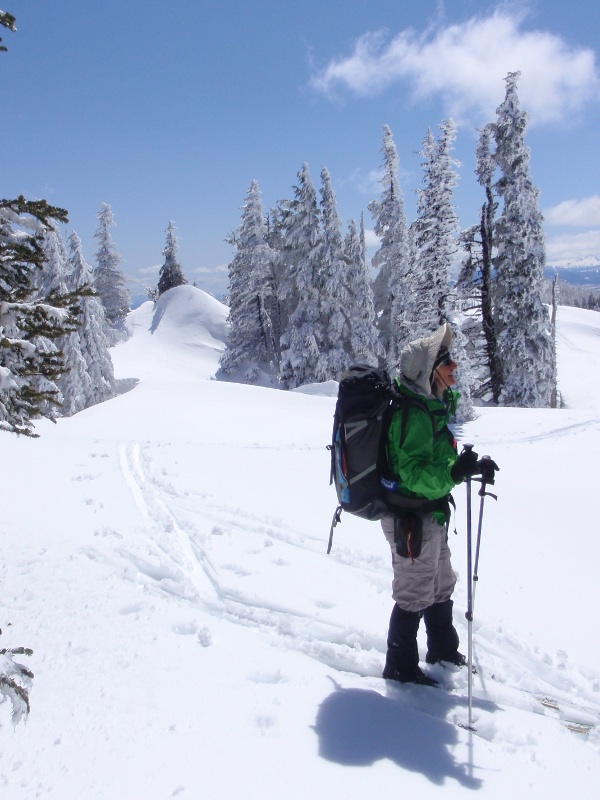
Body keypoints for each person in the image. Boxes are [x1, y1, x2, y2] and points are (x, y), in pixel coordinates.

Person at [380, 322, 482, 686]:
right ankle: (399, 667)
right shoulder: (415, 415)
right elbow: (413, 474)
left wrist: (469, 467)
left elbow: (436, 464)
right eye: (447, 359)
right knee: (413, 591)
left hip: (429, 514)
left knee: (440, 583)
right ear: (429, 372)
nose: (455, 365)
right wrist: (454, 476)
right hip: (411, 517)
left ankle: (441, 649)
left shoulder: (432, 408)